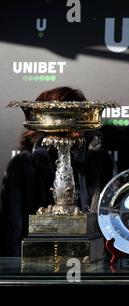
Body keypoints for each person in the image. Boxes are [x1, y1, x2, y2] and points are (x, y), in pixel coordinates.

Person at [0, 86, 115, 256]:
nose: (72, 125)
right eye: (64, 115)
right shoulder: (22, 165)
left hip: (91, 263)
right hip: (36, 264)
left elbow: (111, 221)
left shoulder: (100, 162)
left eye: (78, 114)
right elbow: (11, 229)